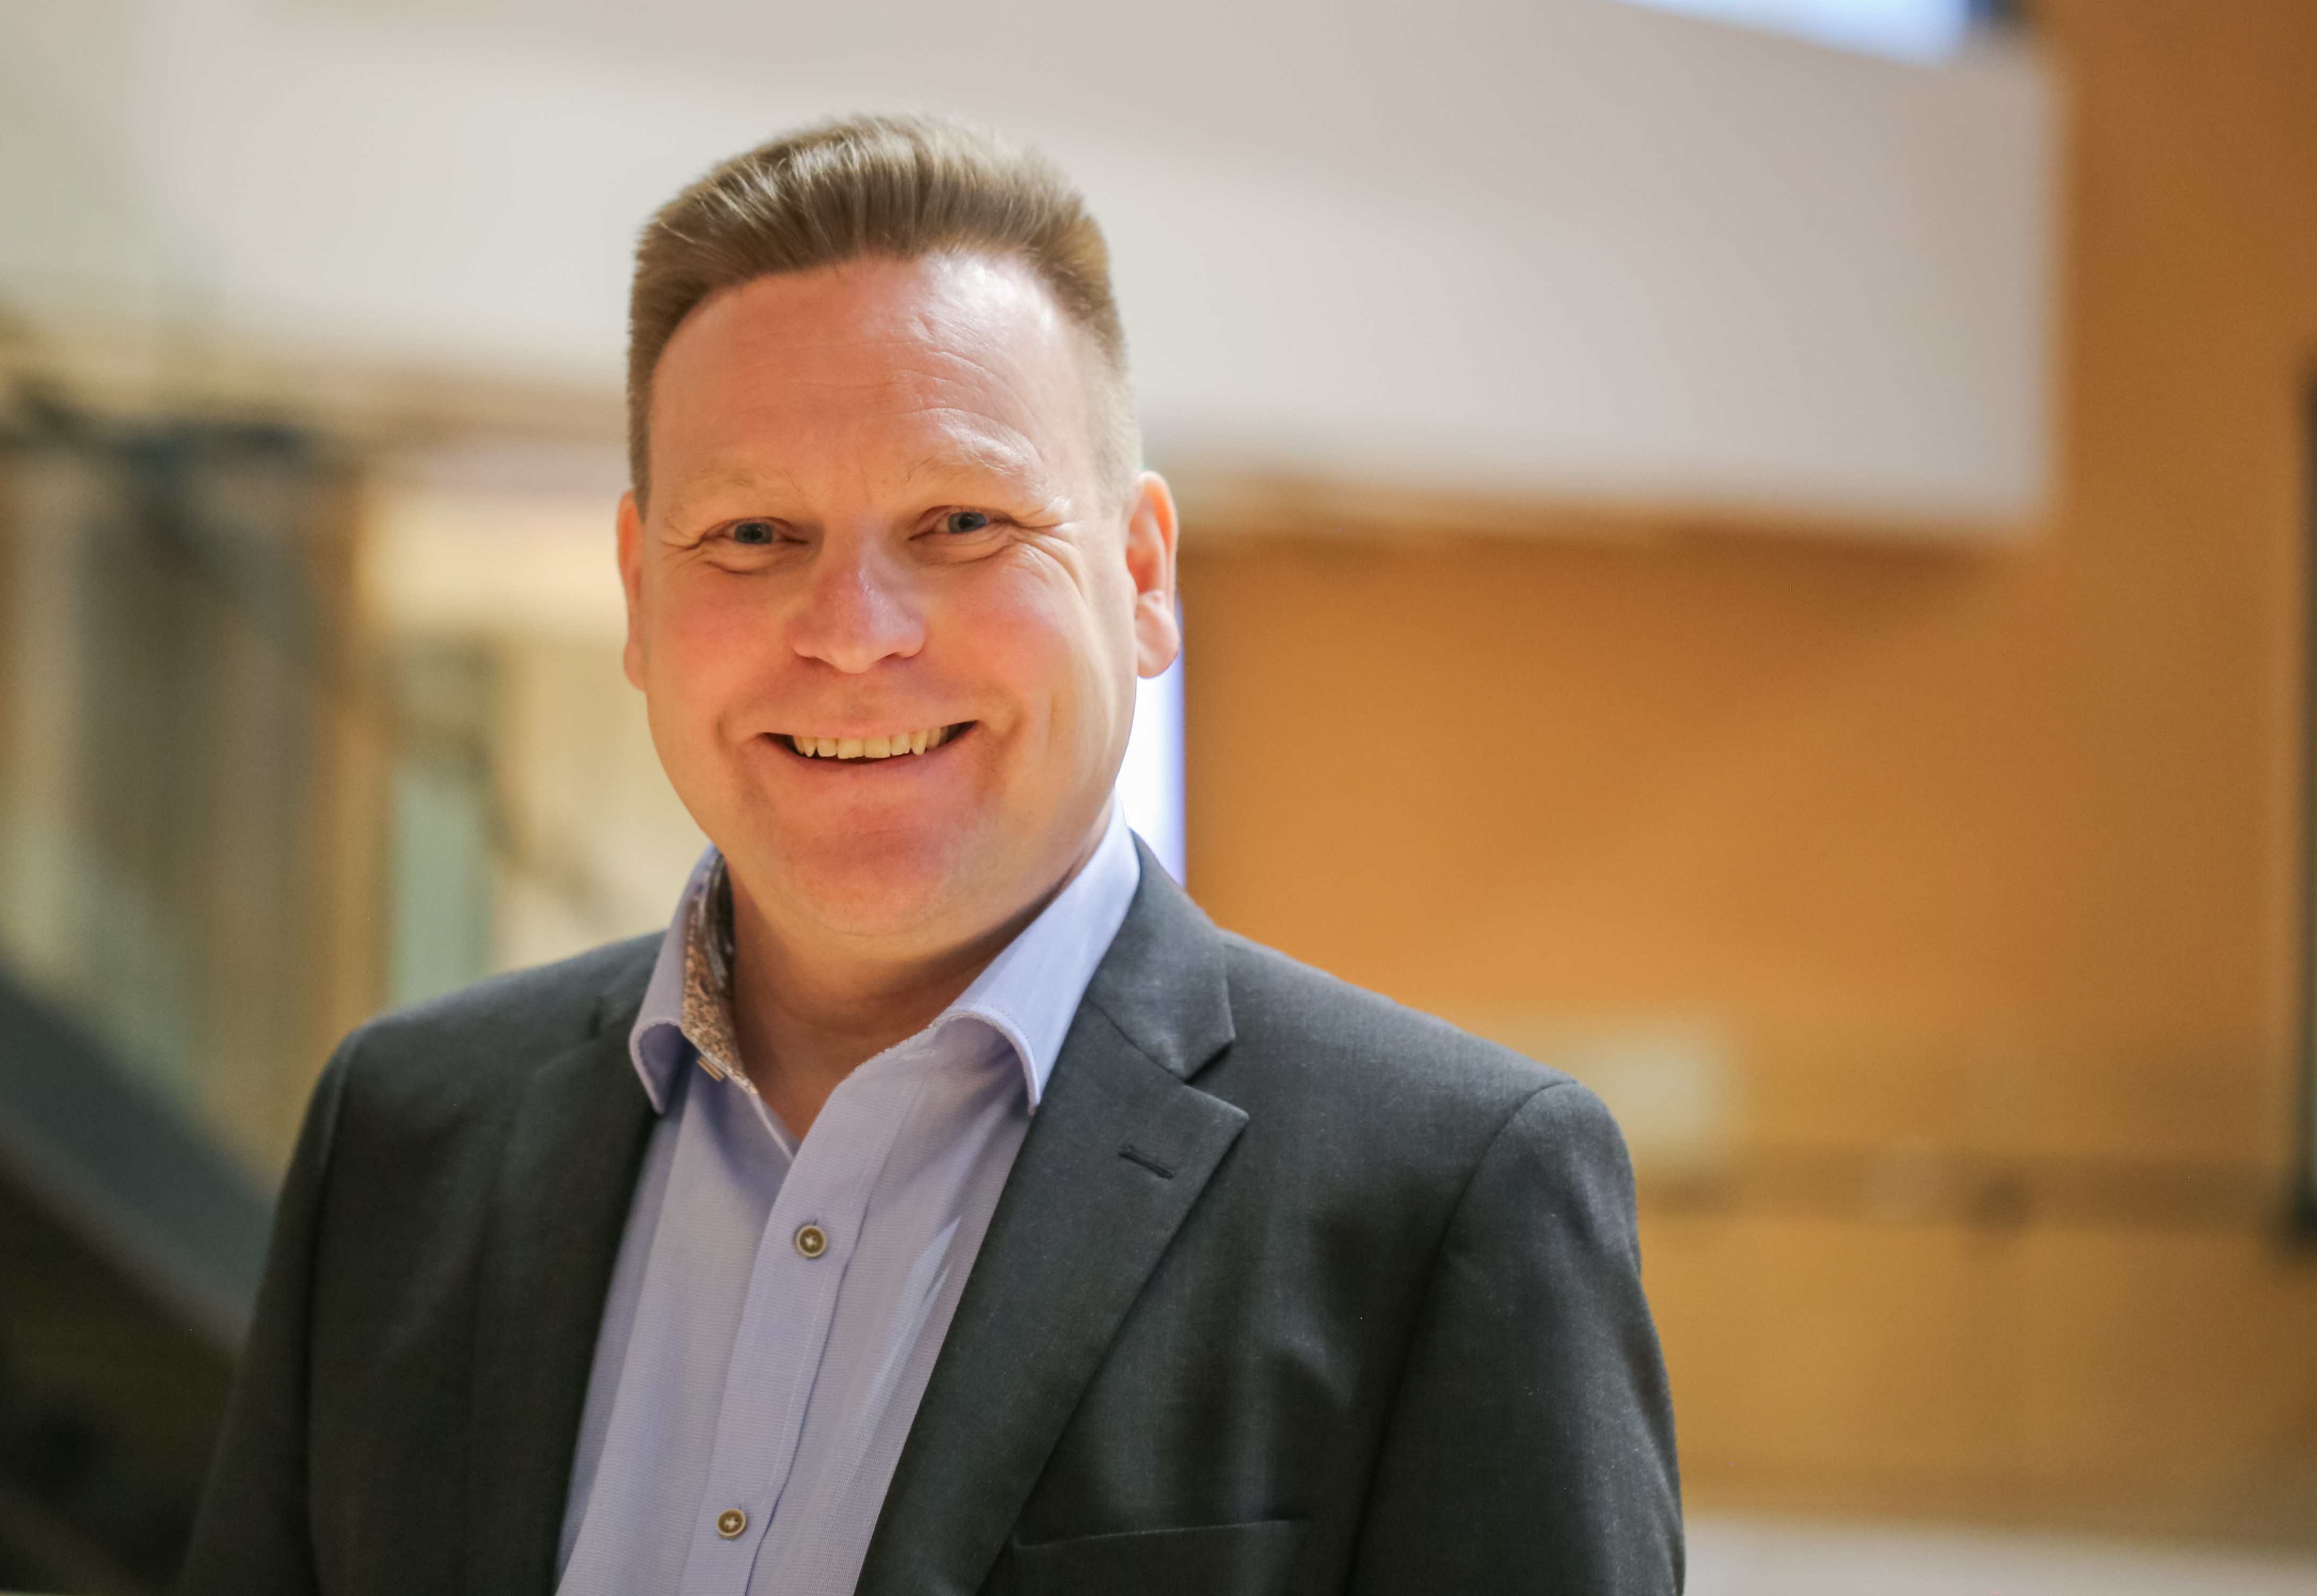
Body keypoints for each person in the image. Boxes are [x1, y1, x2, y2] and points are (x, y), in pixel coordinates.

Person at [181, 114, 1681, 1596]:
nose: (852, 633)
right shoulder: (403, 1133)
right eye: (753, 535)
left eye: (962, 521)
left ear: (1141, 576)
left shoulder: (1449, 1196)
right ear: (640, 594)